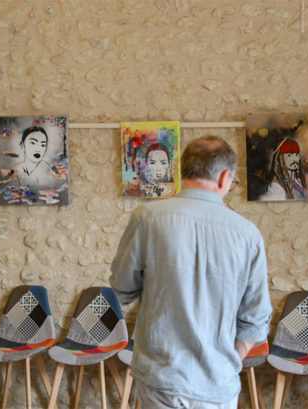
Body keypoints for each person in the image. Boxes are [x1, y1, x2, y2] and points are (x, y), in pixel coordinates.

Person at [110, 135, 272, 409]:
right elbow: (255, 318)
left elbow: (122, 289)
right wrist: (228, 360)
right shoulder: (247, 234)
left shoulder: (147, 218)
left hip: (161, 378)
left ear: (181, 171)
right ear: (224, 178)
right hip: (217, 383)